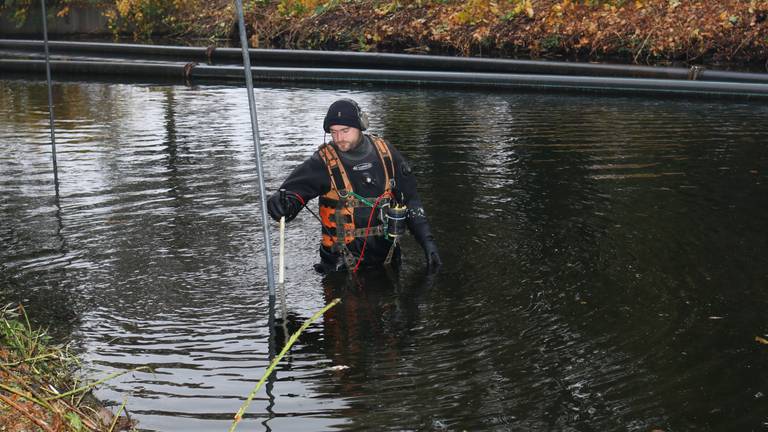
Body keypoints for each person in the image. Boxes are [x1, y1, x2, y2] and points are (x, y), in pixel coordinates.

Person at [266, 98, 441, 274]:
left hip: (388, 262)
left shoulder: (386, 154)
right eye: (334, 132)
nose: (339, 138)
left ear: (361, 125)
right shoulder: (322, 162)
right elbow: (291, 196)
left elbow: (411, 200)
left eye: (345, 130)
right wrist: (280, 205)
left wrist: (428, 243)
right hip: (340, 269)